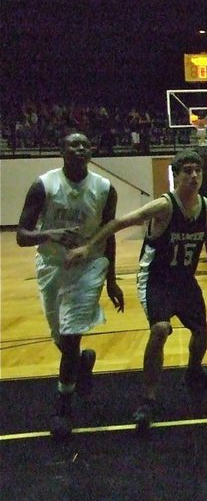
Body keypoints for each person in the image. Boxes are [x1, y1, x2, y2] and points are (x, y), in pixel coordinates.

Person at [66, 149, 207, 428]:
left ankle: (194, 372)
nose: (194, 175)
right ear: (175, 176)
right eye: (187, 170)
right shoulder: (164, 206)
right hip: (156, 279)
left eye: (198, 170)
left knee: (201, 331)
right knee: (160, 329)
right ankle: (148, 399)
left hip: (185, 280)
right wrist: (89, 246)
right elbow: (119, 222)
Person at [16, 131, 125, 438]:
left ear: (91, 152)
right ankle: (83, 364)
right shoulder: (44, 185)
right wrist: (51, 233)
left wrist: (111, 280)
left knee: (71, 334)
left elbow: (108, 234)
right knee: (62, 341)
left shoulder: (105, 189)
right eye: (73, 144)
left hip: (88, 266)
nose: (80, 148)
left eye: (85, 144)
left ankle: (63, 405)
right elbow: (22, 235)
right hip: (51, 265)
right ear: (61, 151)